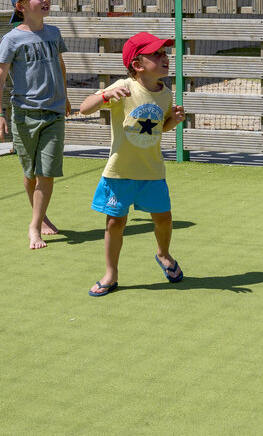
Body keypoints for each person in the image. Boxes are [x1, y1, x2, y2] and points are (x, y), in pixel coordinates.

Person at [79, 31, 186, 297]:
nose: (165, 58)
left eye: (165, 53)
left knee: (164, 219)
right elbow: (84, 108)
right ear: (137, 65)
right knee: (115, 223)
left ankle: (163, 254)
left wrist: (173, 121)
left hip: (152, 171)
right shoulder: (123, 86)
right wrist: (106, 95)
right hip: (120, 172)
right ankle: (111, 274)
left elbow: (157, 129)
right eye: (157, 54)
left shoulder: (166, 95)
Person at [0, 0, 70, 249]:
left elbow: (60, 66)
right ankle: (42, 216)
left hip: (54, 114)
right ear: (21, 5)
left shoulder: (54, 34)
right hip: (24, 115)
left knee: (45, 173)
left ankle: (34, 226)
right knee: (30, 174)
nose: (45, 0)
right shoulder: (11, 39)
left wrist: (66, 98)